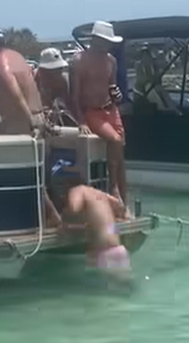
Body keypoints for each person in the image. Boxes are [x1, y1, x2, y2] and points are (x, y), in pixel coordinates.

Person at [71, 20, 128, 206]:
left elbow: (112, 89)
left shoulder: (111, 60)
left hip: (111, 109)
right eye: (106, 40)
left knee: (120, 156)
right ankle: (113, 189)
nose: (109, 45)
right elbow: (75, 96)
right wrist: (81, 122)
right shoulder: (79, 61)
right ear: (95, 40)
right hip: (92, 112)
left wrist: (117, 95)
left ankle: (123, 203)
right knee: (115, 140)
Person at [47, 159, 131, 279]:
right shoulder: (100, 194)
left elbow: (73, 208)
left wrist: (62, 222)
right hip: (119, 250)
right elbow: (120, 207)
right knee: (121, 293)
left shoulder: (78, 190)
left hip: (104, 255)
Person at [0, 24, 45, 134]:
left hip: (22, 122)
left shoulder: (1, 66)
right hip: (38, 115)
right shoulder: (17, 56)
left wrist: (31, 123)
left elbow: (17, 96)